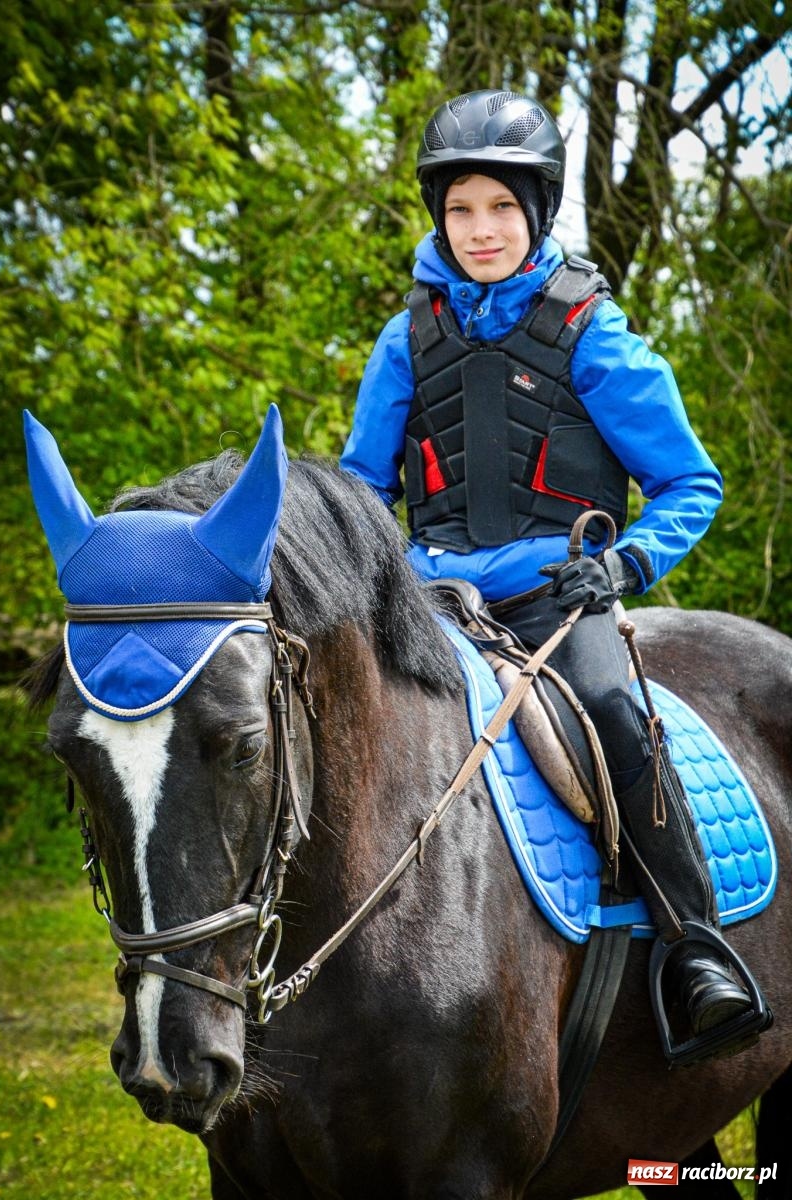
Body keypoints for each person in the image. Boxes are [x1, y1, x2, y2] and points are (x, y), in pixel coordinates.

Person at [340, 88, 771, 1061]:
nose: (479, 230)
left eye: (499, 208)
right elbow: (362, 490)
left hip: (557, 599)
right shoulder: (402, 340)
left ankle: (693, 953)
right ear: (437, 217)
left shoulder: (592, 333)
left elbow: (687, 483)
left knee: (614, 713)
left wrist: (620, 562)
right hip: (433, 604)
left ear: (535, 211)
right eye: (459, 210)